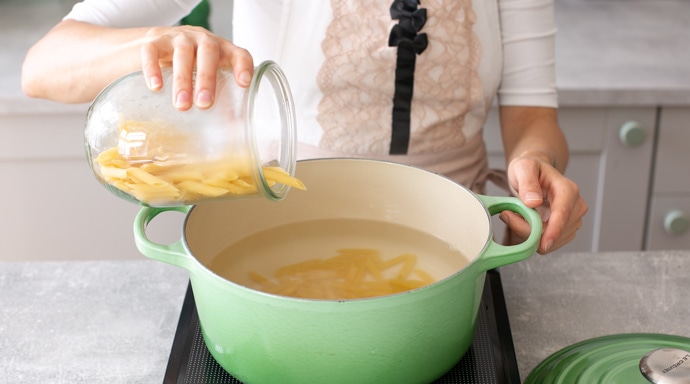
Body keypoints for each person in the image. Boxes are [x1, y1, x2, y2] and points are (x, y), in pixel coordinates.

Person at [22, 0, 587, 254]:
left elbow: (534, 120)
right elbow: (44, 66)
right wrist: (146, 44)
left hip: (457, 244)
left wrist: (535, 173)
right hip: (267, 230)